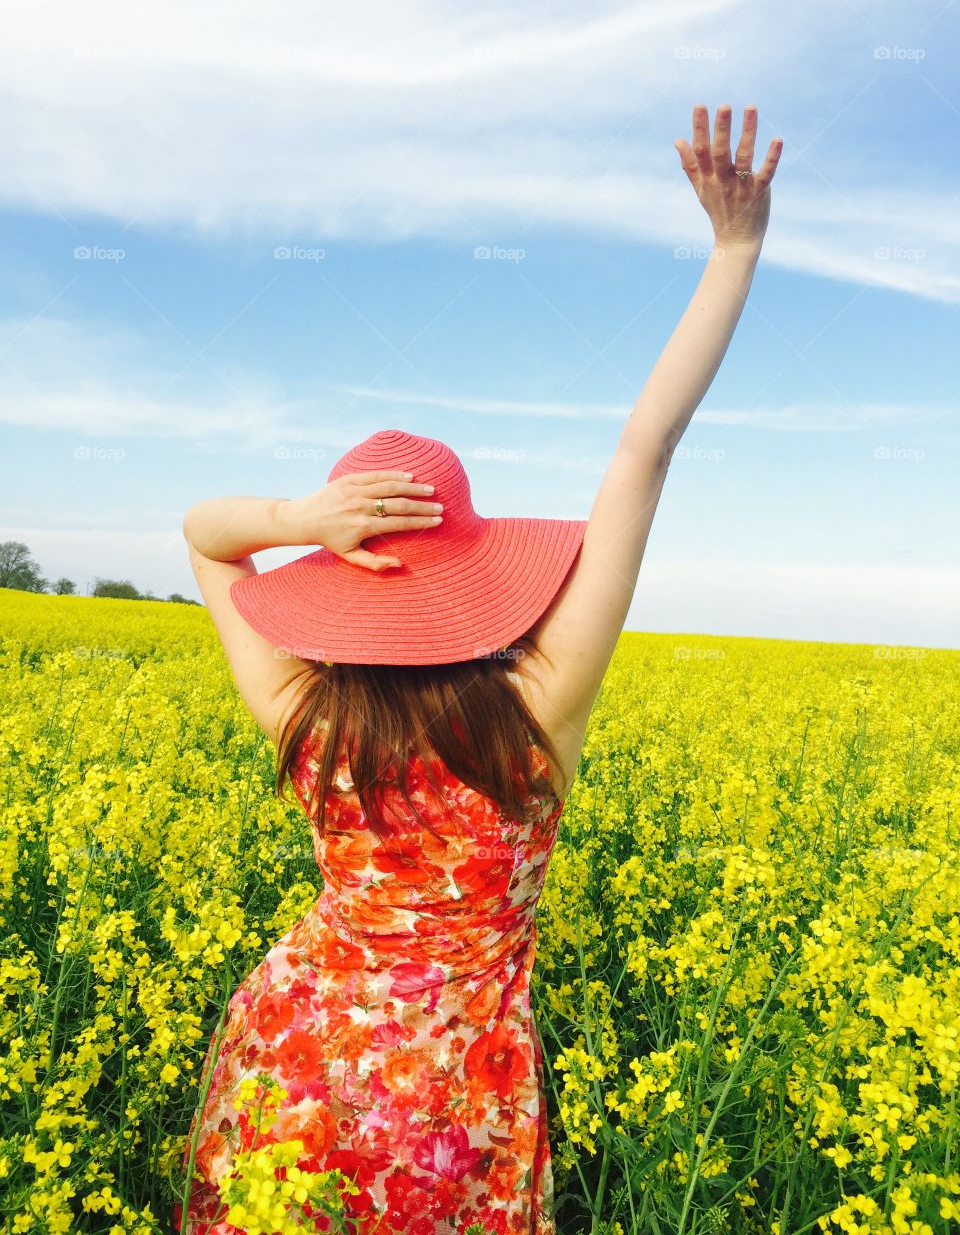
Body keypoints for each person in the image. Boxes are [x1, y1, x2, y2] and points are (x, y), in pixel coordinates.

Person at [174, 103, 782, 1235]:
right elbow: (643, 449)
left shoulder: (300, 708)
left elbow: (207, 534)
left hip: (293, 1046)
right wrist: (734, 250)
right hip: (451, 1098)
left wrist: (297, 514)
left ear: (339, 577)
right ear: (479, 573)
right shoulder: (537, 708)